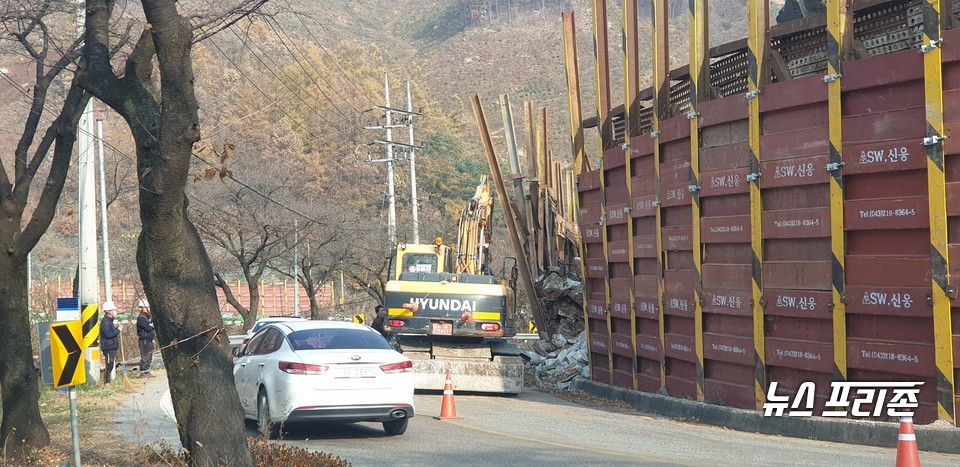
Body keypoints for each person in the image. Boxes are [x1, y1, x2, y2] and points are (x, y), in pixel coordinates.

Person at [99, 301, 121, 384]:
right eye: (112, 310)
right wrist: (118, 330)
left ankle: (108, 381)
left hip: (112, 346)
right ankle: (106, 382)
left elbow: (111, 332)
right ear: (108, 311)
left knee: (111, 364)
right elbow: (108, 334)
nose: (114, 311)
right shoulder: (105, 322)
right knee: (109, 365)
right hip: (108, 347)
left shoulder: (109, 321)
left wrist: (117, 328)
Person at [136, 298, 155, 377]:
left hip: (148, 339)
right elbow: (147, 328)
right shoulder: (141, 318)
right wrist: (152, 326)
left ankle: (147, 370)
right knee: (145, 355)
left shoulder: (147, 317)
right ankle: (143, 372)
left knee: (149, 355)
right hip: (144, 340)